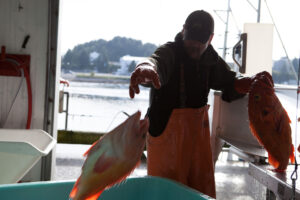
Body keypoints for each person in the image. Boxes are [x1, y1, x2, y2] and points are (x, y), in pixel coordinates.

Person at [129, 10, 254, 198]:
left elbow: (229, 80)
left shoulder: (210, 60)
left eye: (200, 41)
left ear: (210, 39)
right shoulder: (169, 52)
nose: (194, 45)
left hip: (198, 145)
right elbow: (155, 62)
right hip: (166, 143)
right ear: (183, 31)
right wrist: (145, 69)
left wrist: (247, 81)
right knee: (166, 195)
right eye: (191, 39)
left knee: (201, 194)